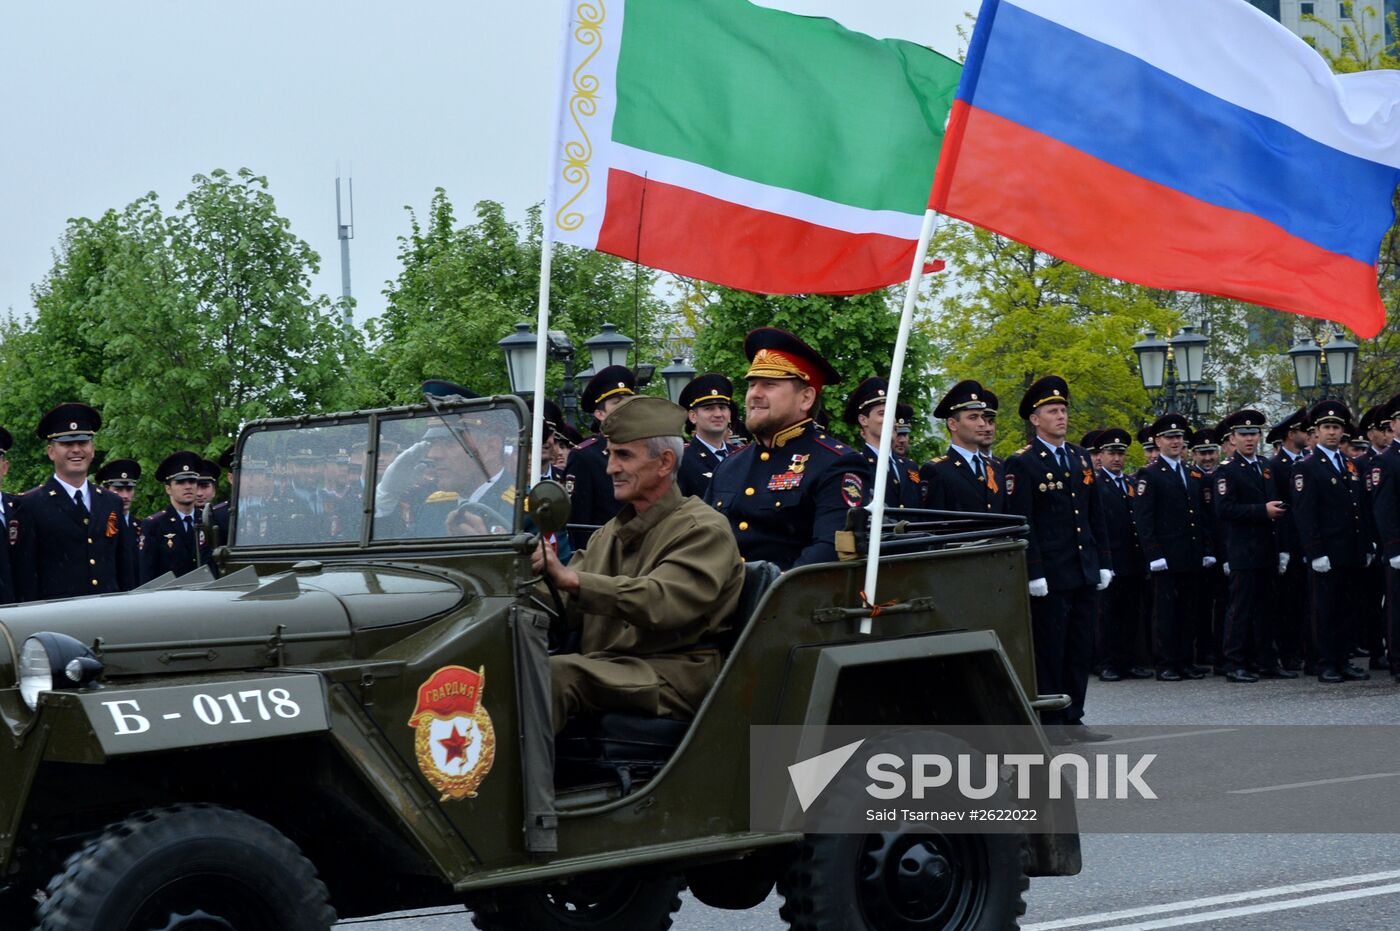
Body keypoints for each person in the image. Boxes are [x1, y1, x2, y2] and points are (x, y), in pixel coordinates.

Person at [533, 396, 745, 732]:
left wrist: (572, 579)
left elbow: (662, 601)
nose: (610, 468)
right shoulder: (610, 533)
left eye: (624, 456)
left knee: (551, 677)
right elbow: (566, 606)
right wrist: (519, 575)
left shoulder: (702, 528)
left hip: (674, 672)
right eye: (610, 455)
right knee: (510, 667)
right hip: (613, 664)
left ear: (664, 463)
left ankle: (526, 785)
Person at [706, 328, 869, 570]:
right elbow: (702, 540)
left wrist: (764, 591)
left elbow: (831, 551)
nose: (754, 395)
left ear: (806, 398)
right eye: (752, 385)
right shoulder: (730, 465)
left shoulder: (837, 463)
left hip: (787, 602)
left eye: (769, 385)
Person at [1004, 376, 1111, 741]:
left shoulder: (1080, 456)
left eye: (1063, 409)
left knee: (1081, 645)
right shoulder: (1023, 463)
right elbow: (1025, 522)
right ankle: (1050, 721)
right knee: (1051, 648)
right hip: (1050, 572)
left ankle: (1074, 716)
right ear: (1035, 419)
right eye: (1053, 410)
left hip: (1082, 567)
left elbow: (1094, 513)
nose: (1061, 416)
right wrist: (1034, 571)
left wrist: (1104, 561)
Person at [12, 403, 134, 601]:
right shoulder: (30, 505)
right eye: (67, 444)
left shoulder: (111, 502)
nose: (76, 449)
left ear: (93, 449)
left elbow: (125, 568)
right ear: (51, 451)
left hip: (110, 615)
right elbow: (25, 576)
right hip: (58, 619)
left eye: (82, 442)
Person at [1291, 400, 1372, 683]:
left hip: (1350, 549)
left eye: (1337, 427)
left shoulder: (1350, 464)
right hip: (1326, 550)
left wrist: (1365, 546)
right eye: (1327, 427)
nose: (1332, 432)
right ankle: (1326, 662)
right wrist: (1314, 551)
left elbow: (1358, 508)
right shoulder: (1308, 466)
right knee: (1325, 609)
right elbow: (1305, 513)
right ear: (1316, 431)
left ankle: (1343, 659)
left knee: (1348, 608)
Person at [1132, 411, 1216, 681]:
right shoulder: (1150, 474)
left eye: (1179, 436)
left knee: (1189, 611)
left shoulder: (1192, 473)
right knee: (1165, 612)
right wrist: (1154, 554)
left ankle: (1185, 660)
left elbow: (1200, 516)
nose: (1176, 441)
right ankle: (1166, 662)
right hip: (1166, 555)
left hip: (1190, 554)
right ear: (1158, 441)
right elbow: (1144, 520)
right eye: (1170, 437)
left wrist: (1205, 549)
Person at [1212, 409, 1294, 683]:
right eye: (1243, 434)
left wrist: (1281, 546)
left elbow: (1277, 505)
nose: (1249, 439)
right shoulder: (1227, 470)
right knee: (1240, 609)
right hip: (1243, 550)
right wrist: (1262, 511)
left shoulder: (1265, 466)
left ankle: (1267, 660)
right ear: (1233, 438)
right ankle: (1234, 662)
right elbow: (1224, 509)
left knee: (1267, 609)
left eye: (1254, 433)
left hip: (1266, 549)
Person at [1093, 428, 1151, 681]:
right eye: (1111, 453)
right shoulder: (1095, 484)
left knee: (1131, 614)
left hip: (1132, 559)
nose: (1116, 458)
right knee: (1108, 615)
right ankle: (1108, 662)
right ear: (1101, 456)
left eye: (1120, 453)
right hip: (1110, 559)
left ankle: (1129, 661)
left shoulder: (1130, 483)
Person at [565, 365, 637, 548]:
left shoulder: (645, 449)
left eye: (629, 400)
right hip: (606, 557)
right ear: (600, 414)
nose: (625, 406)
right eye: (617, 402)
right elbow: (579, 524)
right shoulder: (585, 457)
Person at [1266, 408, 1310, 672]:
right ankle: (1289, 651)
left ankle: (1305, 649)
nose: (1309, 435)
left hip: (1307, 539)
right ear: (1292, 433)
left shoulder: (1307, 460)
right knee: (1288, 602)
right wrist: (1282, 548)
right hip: (1289, 541)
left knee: (1306, 600)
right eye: (1305, 430)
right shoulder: (1275, 465)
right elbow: (1279, 509)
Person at [920, 379, 1005, 514]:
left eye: (982, 417)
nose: (982, 423)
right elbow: (935, 525)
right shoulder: (938, 470)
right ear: (953, 424)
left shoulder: (997, 467)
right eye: (973, 417)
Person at [843, 376, 921, 509]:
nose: (891, 419)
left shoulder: (909, 466)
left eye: (892, 413)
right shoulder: (855, 465)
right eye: (882, 413)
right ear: (863, 420)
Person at [1369, 393, 1400, 683]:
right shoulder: (1386, 461)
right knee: (1397, 605)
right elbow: (1384, 508)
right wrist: (1393, 548)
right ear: (1393, 425)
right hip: (1399, 547)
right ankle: (1398, 661)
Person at [140, 452, 208, 583]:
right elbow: (147, 573)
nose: (188, 486)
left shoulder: (207, 520)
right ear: (168, 489)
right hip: (169, 598)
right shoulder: (154, 525)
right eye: (181, 482)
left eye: (192, 481)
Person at [677, 373, 737, 499]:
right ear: (693, 416)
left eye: (722, 407)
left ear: (729, 414)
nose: (718, 414)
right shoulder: (681, 460)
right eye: (709, 408)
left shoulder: (742, 455)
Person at [96, 458, 142, 575]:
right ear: (106, 490)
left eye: (129, 489)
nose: (125, 495)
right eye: (119, 489)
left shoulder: (141, 526)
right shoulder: (98, 525)